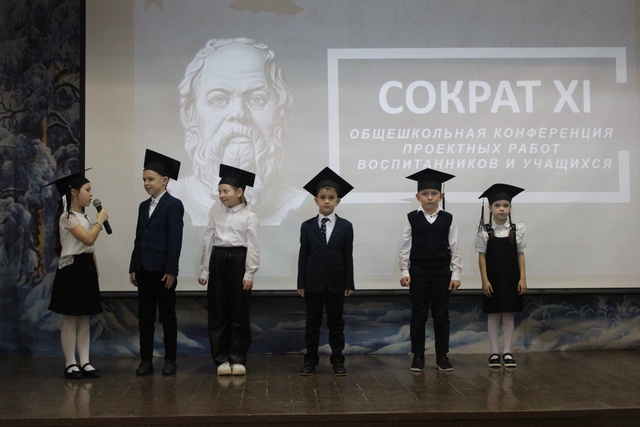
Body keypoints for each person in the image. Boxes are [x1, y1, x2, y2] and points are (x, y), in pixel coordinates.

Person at [172, 37, 305, 226]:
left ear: (280, 113)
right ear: (191, 114)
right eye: (219, 99)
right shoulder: (172, 199)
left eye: (257, 99)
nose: (239, 114)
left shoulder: (299, 205)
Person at [46, 170, 109, 379]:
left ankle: (85, 361)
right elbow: (88, 239)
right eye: (87, 190)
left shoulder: (85, 216)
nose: (91, 195)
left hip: (86, 268)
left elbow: (90, 249)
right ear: (73, 192)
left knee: (84, 317)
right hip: (72, 269)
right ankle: (70, 363)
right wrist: (100, 221)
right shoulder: (67, 217)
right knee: (71, 318)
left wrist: (95, 271)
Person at [198, 164, 259, 376]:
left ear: (239, 192)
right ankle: (221, 359)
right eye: (220, 191)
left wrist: (249, 273)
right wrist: (204, 270)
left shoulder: (249, 216)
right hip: (218, 260)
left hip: (238, 260)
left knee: (239, 313)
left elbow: (253, 246)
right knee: (218, 312)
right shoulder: (216, 214)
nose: (222, 195)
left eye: (226, 191)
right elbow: (208, 241)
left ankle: (238, 358)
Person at [399, 168, 462, 373]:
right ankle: (418, 356)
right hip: (418, 273)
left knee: (441, 316)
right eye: (425, 194)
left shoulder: (448, 218)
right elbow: (405, 247)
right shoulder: (411, 218)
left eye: (434, 193)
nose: (429, 197)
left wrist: (456, 274)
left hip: (441, 273)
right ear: (418, 196)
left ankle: (442, 356)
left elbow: (455, 247)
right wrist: (405, 272)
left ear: (441, 196)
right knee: (418, 315)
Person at [129, 150, 184, 376]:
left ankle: (170, 360)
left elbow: (175, 240)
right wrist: (134, 265)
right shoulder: (143, 206)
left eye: (150, 179)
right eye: (144, 179)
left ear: (165, 180)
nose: (146, 183)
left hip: (163, 271)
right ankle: (146, 360)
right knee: (145, 317)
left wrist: (171, 269)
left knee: (168, 317)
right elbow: (138, 237)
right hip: (144, 268)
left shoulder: (173, 204)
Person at [297, 167, 355, 376]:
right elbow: (303, 255)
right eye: (323, 198)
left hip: (336, 282)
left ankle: (337, 360)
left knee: (336, 323)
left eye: (331, 198)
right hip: (313, 282)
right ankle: (310, 361)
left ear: (338, 201)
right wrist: (301, 283)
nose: (327, 201)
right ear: (316, 200)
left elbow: (348, 256)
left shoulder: (346, 226)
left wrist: (349, 282)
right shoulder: (307, 226)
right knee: (312, 323)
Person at [476, 183, 527, 369]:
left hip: (511, 278)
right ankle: (494, 352)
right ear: (490, 208)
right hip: (493, 279)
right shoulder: (485, 230)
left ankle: (507, 351)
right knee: (494, 315)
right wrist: (484, 280)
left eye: (505, 205)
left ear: (510, 208)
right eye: (497, 205)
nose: (502, 209)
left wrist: (522, 278)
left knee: (508, 315)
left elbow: (520, 254)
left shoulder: (517, 229)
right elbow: (482, 257)